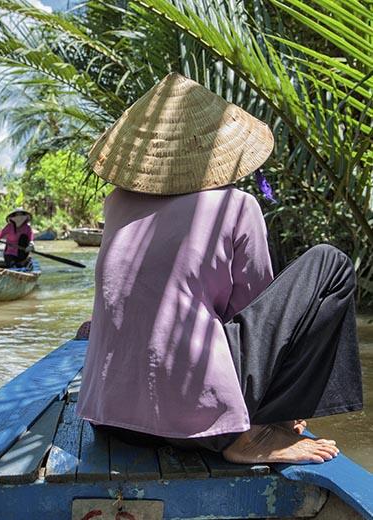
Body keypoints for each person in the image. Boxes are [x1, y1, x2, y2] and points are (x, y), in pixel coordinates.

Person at [76, 73, 363, 465]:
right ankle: (253, 433)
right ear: (213, 151)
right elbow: (256, 312)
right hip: (199, 424)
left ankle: (255, 421)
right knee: (331, 263)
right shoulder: (236, 206)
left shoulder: (116, 206)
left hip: (108, 416)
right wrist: (281, 398)